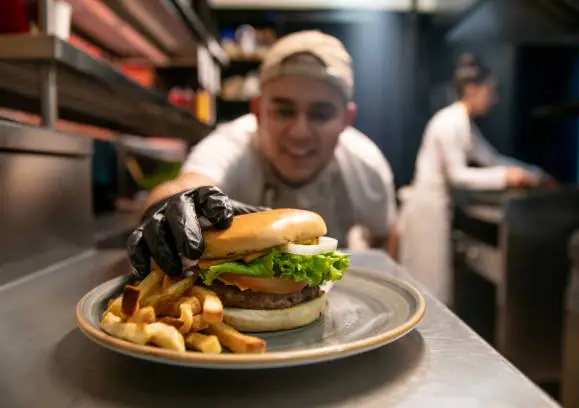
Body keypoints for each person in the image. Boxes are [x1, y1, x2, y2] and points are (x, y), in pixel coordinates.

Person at [126, 30, 397, 278]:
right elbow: (188, 185)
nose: (300, 133)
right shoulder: (233, 144)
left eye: (321, 114)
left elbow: (386, 234)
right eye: (283, 110)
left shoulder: (366, 165)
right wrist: (167, 205)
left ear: (346, 120)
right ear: (257, 111)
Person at [398, 53, 551, 306]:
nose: (494, 99)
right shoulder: (450, 121)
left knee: (433, 290)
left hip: (437, 210)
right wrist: (507, 177)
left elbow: (491, 157)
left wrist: (534, 173)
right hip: (426, 212)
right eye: (490, 91)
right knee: (430, 291)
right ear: (471, 89)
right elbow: (457, 176)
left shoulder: (465, 123)